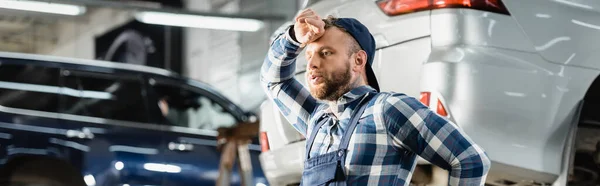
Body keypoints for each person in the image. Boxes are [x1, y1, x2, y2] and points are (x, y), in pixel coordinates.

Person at [260, 9, 491, 185]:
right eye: (309, 55)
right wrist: (292, 38)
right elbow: (273, 81)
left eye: (326, 53)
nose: (311, 64)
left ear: (358, 61)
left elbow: (470, 160)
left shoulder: (387, 110)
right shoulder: (317, 120)